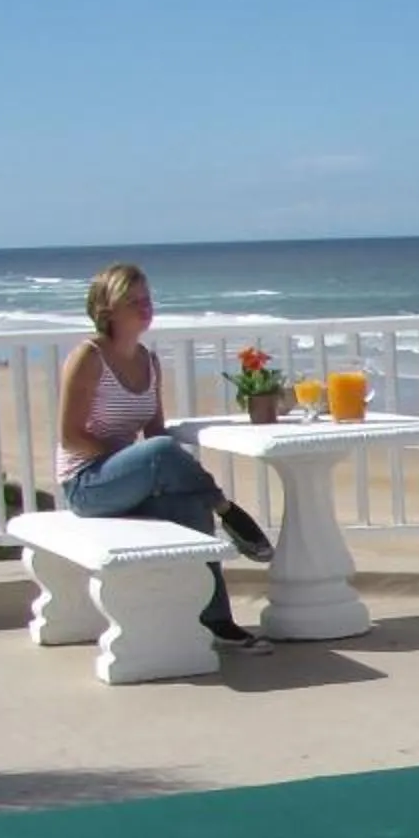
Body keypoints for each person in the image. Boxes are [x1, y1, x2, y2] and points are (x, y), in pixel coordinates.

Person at [56, 262, 277, 653]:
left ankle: (217, 622)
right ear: (108, 309)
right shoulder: (88, 357)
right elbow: (70, 437)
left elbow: (155, 433)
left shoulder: (148, 360)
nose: (146, 308)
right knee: (159, 454)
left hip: (132, 478)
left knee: (191, 507)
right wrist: (135, 458)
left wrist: (149, 462)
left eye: (148, 300)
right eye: (134, 301)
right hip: (88, 484)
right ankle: (228, 509)